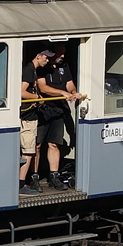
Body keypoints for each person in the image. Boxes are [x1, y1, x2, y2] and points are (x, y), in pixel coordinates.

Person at [38, 49, 80, 189]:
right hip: (42, 110)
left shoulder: (64, 65)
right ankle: (33, 177)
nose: (62, 55)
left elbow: (69, 83)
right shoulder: (42, 67)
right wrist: (62, 93)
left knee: (54, 144)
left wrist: (73, 92)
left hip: (58, 110)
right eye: (60, 53)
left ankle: (54, 176)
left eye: (64, 52)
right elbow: (43, 88)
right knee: (37, 145)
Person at [18, 48, 52, 195]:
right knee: (28, 151)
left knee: (28, 150)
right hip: (27, 117)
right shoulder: (28, 71)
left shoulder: (31, 70)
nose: (48, 60)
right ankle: (20, 184)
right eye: (46, 57)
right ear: (38, 56)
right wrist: (37, 98)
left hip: (29, 116)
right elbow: (22, 92)